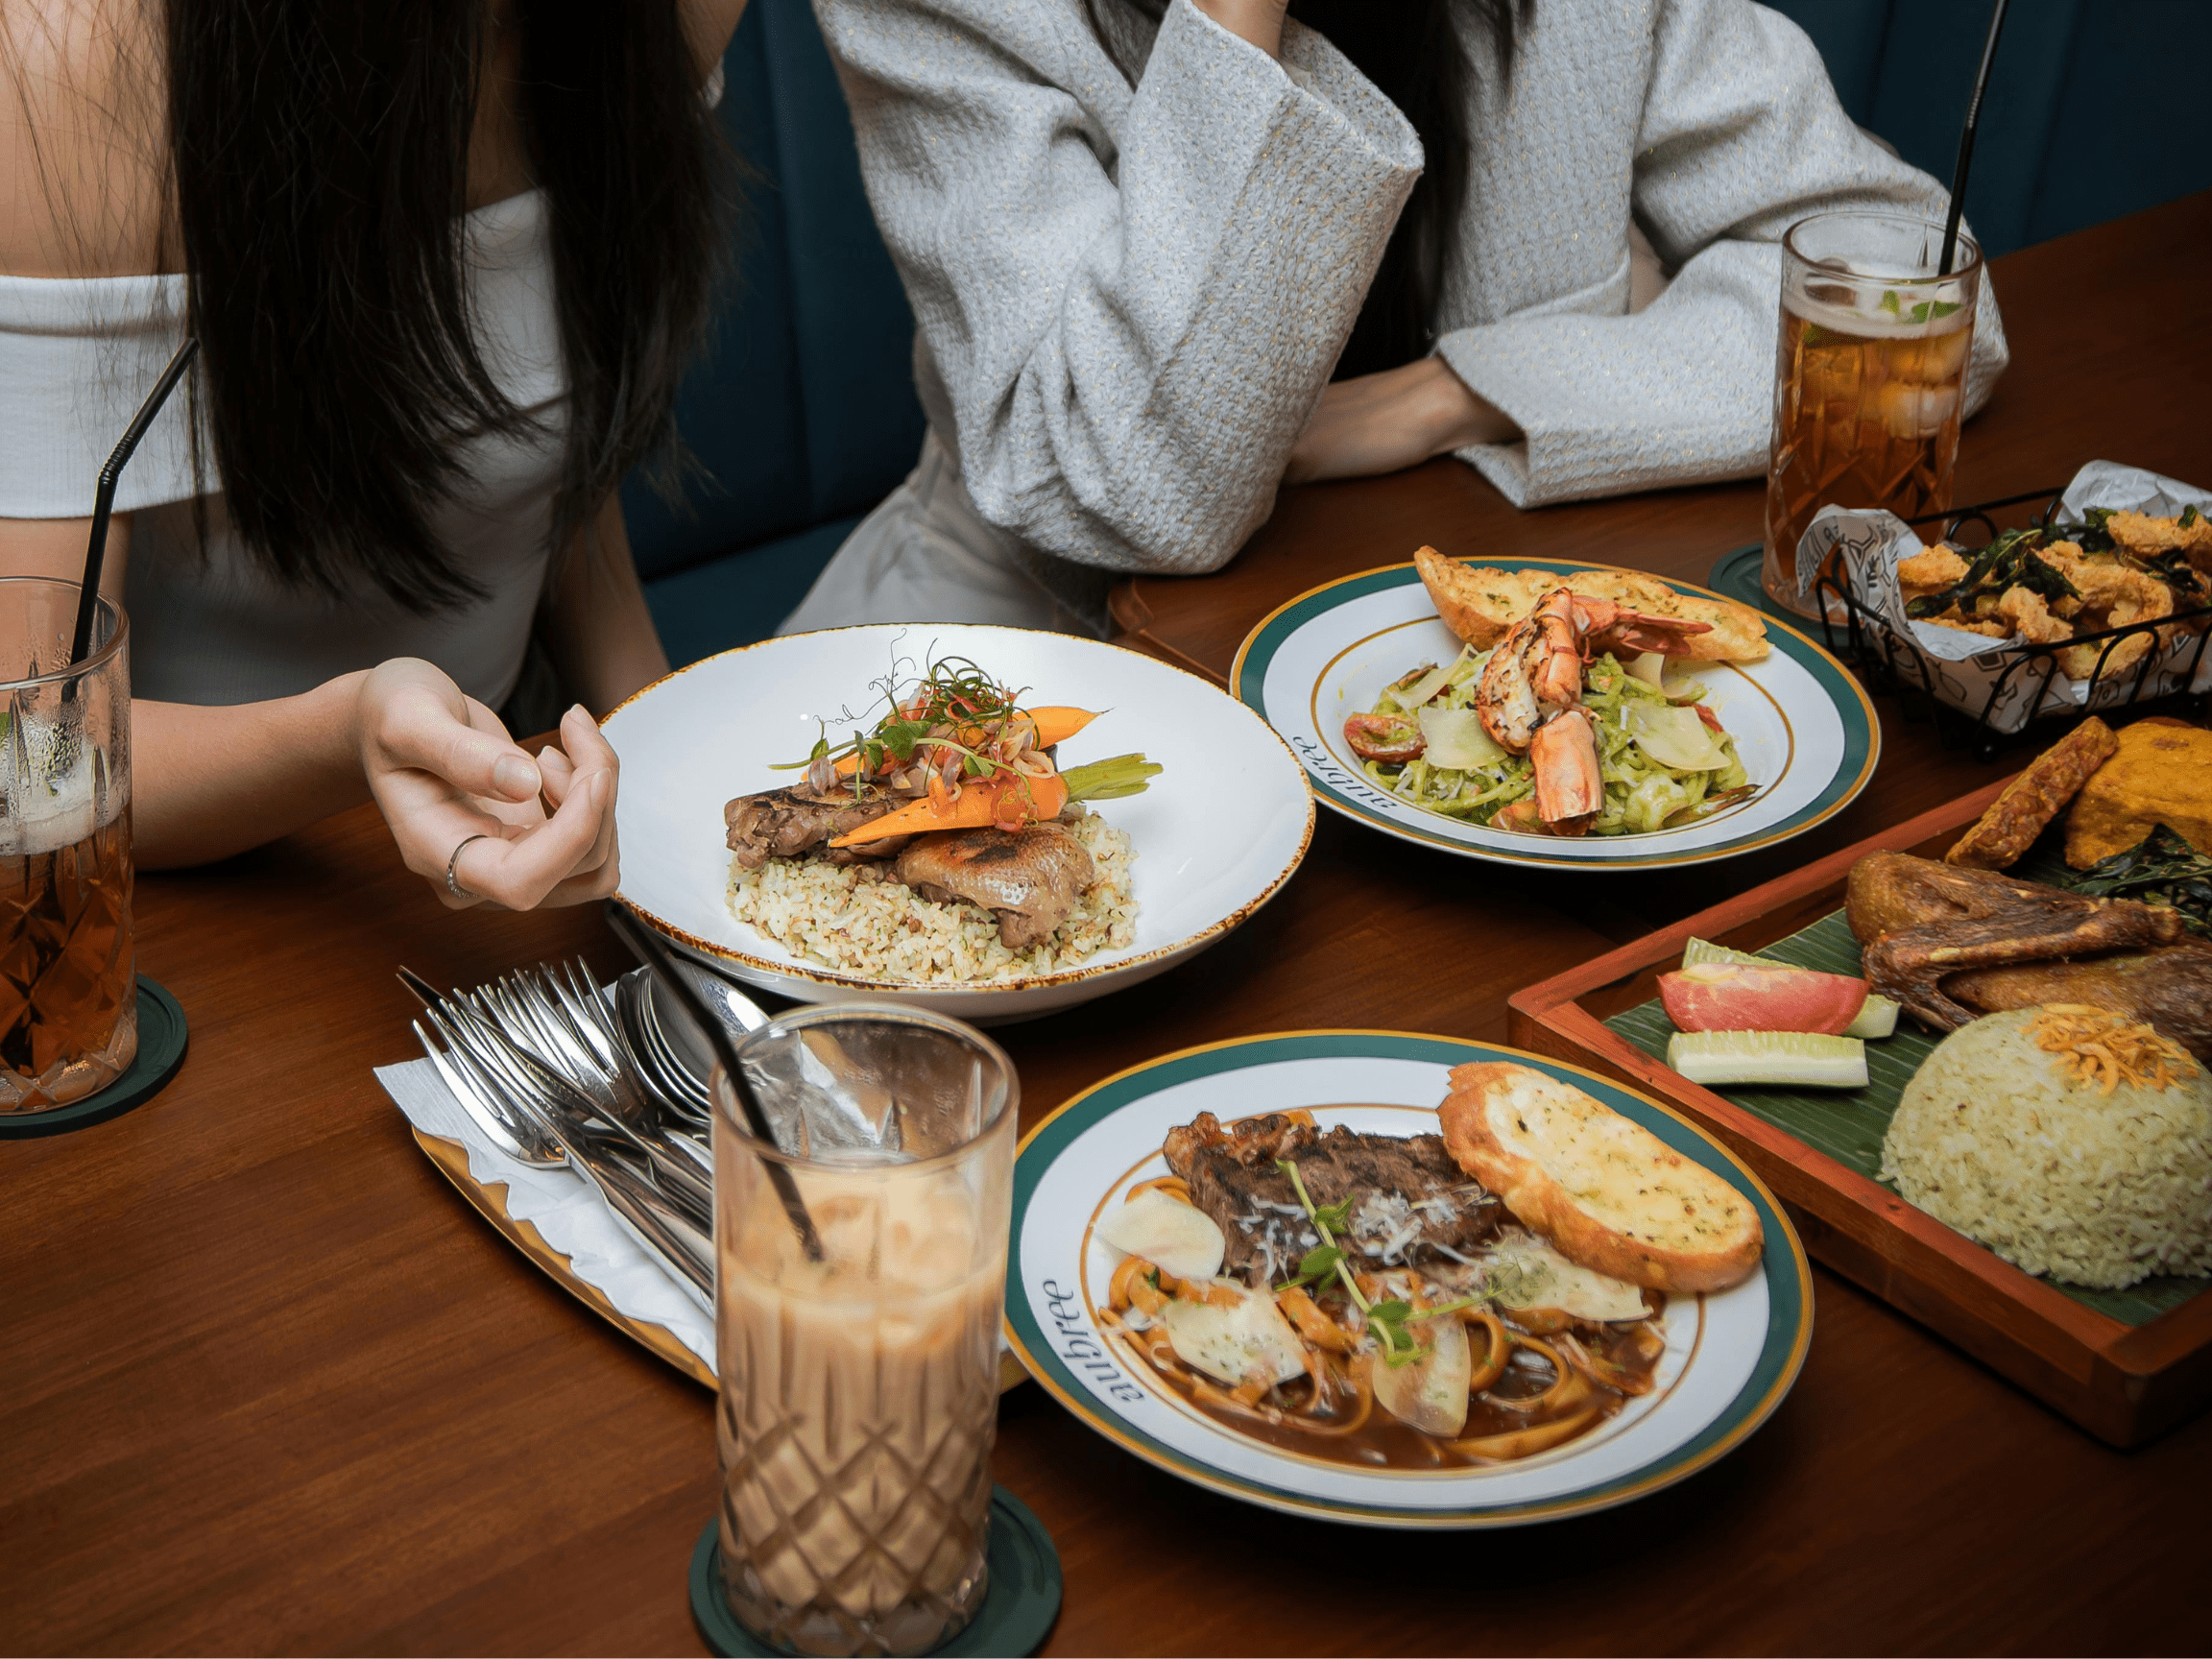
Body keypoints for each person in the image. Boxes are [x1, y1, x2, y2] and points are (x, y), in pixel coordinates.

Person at [780, 0, 2008, 637]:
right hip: (1041, 643)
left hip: (1475, 653)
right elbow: (1137, 493)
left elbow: (1918, 303)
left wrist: (1453, 396)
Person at [0, 0, 745, 908]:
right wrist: (347, 735)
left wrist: (693, 824)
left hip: (498, 851)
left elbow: (541, 464)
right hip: (157, 909)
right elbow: (33, 756)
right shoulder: (67, 62)